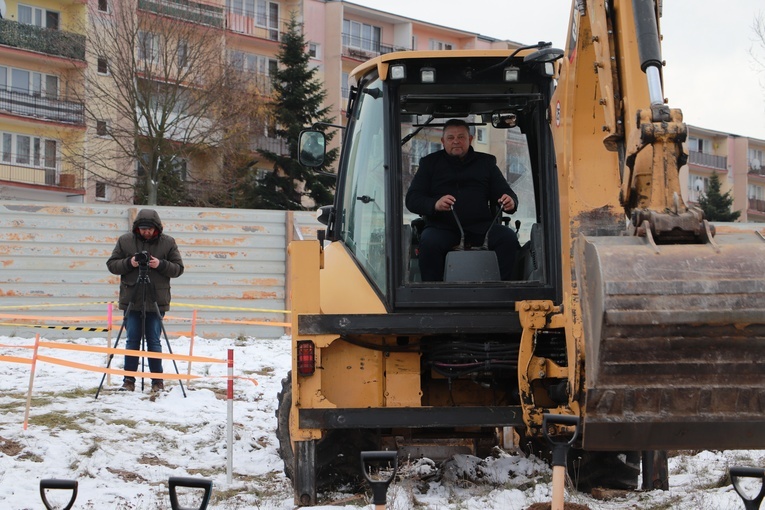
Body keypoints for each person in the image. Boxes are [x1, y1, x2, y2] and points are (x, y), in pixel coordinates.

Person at [405, 119, 520, 281]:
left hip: (481, 229)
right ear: (443, 141)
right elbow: (412, 199)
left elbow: (505, 192)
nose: (456, 141)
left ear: (471, 139)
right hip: (442, 228)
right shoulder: (429, 164)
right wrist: (435, 204)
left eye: (461, 137)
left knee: (508, 238)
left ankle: (504, 291)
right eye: (451, 138)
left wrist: (510, 201)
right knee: (429, 242)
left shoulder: (486, 163)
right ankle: (433, 294)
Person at [106, 209, 184, 392]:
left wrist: (161, 264)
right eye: (142, 229)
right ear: (137, 228)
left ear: (156, 228)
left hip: (156, 298)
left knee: (154, 341)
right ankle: (128, 381)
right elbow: (111, 265)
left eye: (149, 229)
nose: (146, 232)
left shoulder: (168, 242)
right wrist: (129, 263)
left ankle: (157, 382)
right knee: (132, 341)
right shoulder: (125, 241)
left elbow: (179, 269)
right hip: (132, 299)